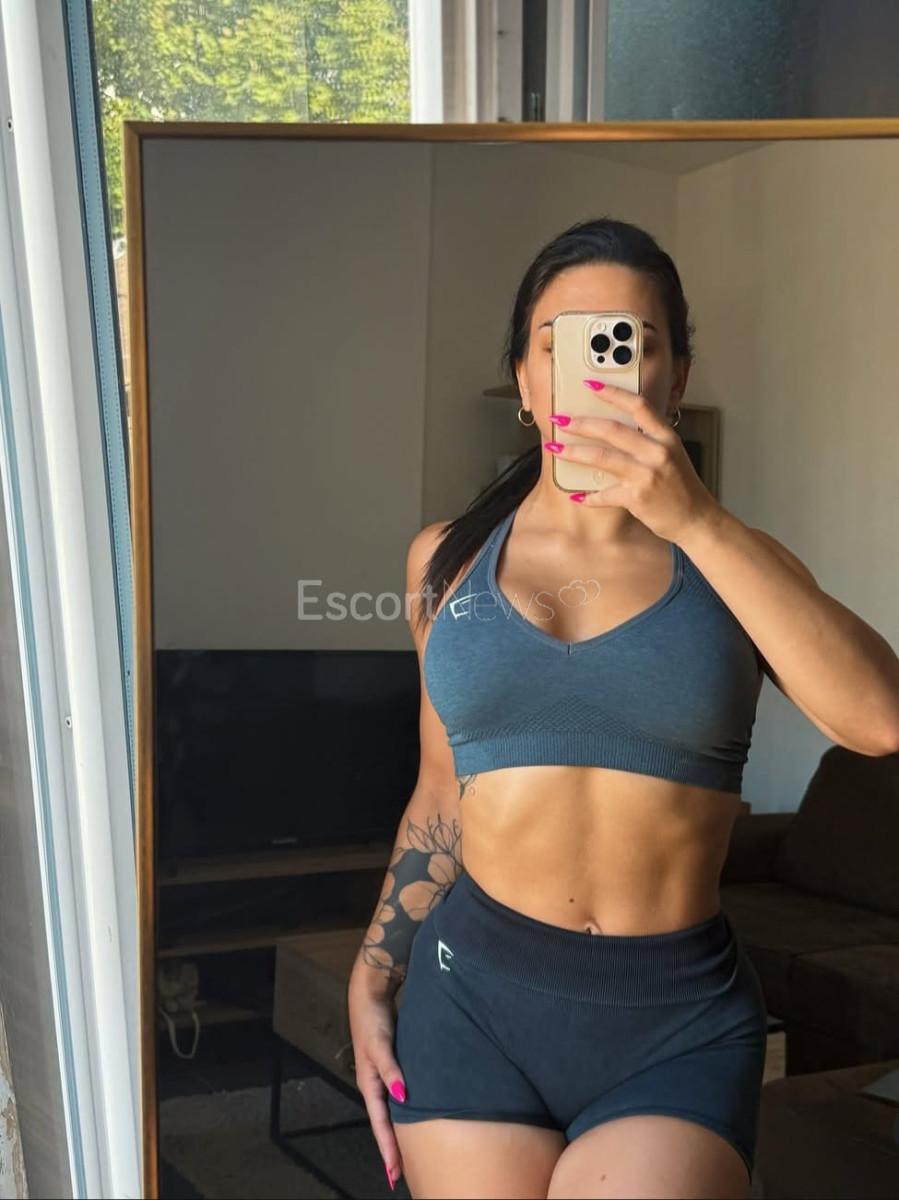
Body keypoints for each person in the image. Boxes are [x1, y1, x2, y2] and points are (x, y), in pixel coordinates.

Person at [346, 216, 899, 1200]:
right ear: (524, 381)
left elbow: (878, 722)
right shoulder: (445, 560)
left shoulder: (734, 561)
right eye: (557, 345)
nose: (592, 372)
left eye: (625, 342)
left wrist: (695, 519)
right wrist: (373, 965)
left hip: (672, 1022)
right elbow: (439, 793)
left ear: (673, 379)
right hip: (470, 995)